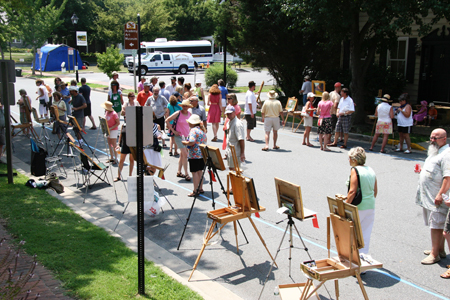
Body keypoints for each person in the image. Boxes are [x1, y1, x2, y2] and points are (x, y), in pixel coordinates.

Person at [416, 128, 450, 265]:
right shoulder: (435, 151)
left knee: (436, 225)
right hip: (430, 196)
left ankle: (434, 254)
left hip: (438, 196)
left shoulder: (447, 154)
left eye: (436, 138)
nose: (432, 140)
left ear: (444, 139)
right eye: (431, 137)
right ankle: (439, 249)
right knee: (436, 223)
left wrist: (440, 194)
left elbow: (448, 177)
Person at [346, 147, 377, 256]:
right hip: (370, 205)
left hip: (359, 206)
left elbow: (352, 191)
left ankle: (353, 259)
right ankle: (362, 259)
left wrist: (346, 205)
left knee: (353, 233)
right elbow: (375, 191)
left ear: (354, 159)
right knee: (365, 234)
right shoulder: (370, 170)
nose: (348, 160)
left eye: (349, 158)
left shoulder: (355, 170)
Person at [166, 100, 193, 182]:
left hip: (187, 137)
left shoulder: (190, 114)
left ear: (188, 107)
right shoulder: (178, 113)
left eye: (186, 106)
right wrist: (173, 131)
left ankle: (179, 171)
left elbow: (191, 125)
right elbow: (167, 120)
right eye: (183, 105)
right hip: (178, 137)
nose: (185, 107)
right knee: (185, 154)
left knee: (182, 154)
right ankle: (186, 173)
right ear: (181, 106)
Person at [182, 114, 207, 197]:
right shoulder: (202, 130)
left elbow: (192, 142)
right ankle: (200, 188)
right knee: (200, 171)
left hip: (194, 154)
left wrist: (185, 142)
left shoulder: (193, 130)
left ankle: (195, 190)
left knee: (194, 172)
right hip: (202, 154)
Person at [225, 105, 245, 173]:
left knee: (235, 171)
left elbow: (241, 139)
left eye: (230, 113)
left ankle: (235, 184)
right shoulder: (229, 121)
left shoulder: (237, 124)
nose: (229, 115)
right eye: (227, 114)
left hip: (235, 151)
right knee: (231, 169)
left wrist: (242, 153)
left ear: (234, 112)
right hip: (230, 150)